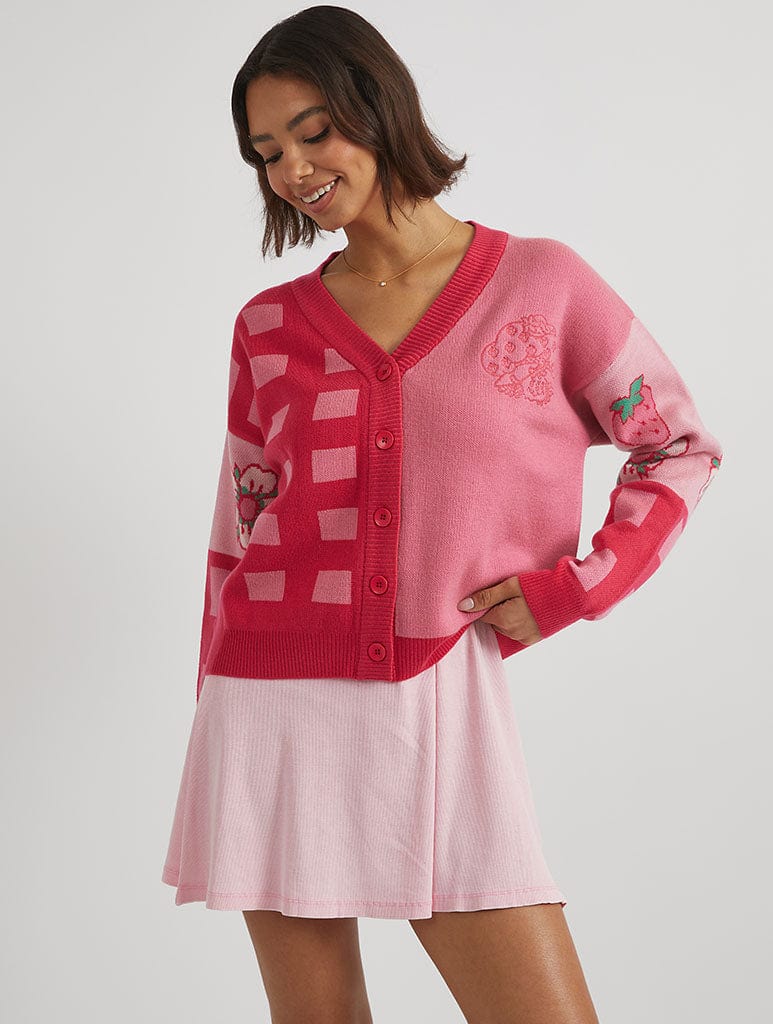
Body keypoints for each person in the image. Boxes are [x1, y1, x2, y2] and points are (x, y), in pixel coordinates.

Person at [161, 6, 722, 1023]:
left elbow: (675, 445)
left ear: (378, 108)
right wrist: (208, 697)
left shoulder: (541, 283)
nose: (293, 168)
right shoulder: (268, 326)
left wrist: (576, 589)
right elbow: (236, 529)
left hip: (437, 687)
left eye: (313, 130)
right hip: (267, 695)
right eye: (267, 151)